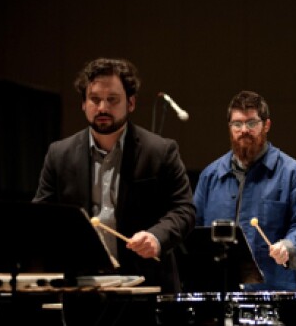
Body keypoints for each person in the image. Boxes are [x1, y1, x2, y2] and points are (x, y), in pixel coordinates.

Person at [33, 58, 194, 290]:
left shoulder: (160, 151)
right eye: (94, 99)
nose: (102, 108)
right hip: (82, 287)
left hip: (146, 284)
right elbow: (42, 215)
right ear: (83, 104)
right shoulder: (59, 154)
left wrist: (156, 237)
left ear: (131, 103)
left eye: (112, 99)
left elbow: (184, 209)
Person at [193, 91, 296, 290]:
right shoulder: (210, 175)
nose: (244, 130)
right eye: (237, 124)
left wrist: (288, 246)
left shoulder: (290, 172)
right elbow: (194, 230)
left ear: (266, 125)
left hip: (272, 291)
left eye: (251, 123)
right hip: (219, 291)